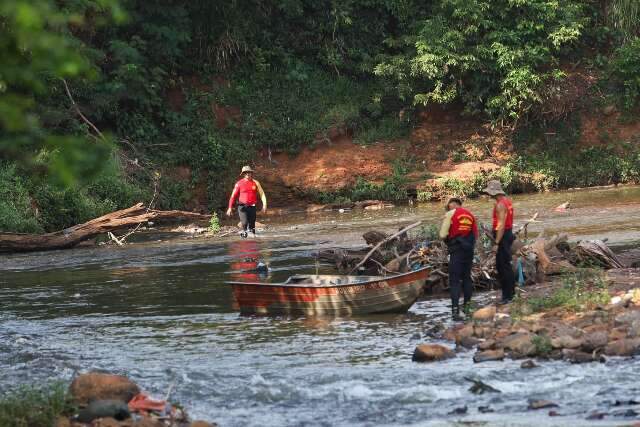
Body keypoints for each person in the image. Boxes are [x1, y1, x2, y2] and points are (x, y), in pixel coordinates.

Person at [439, 197, 478, 321]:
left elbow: (442, 235)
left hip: (456, 251)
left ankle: (455, 311)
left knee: (455, 281)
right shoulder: (471, 215)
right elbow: (475, 235)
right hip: (469, 251)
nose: (449, 209)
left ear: (454, 205)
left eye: (449, 207)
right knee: (466, 278)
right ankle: (467, 308)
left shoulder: (450, 214)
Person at [482, 179, 516, 304]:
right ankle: (511, 294)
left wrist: (496, 243)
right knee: (506, 265)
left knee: (502, 267)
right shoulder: (507, 202)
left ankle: (507, 297)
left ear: (493, 193)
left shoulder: (500, 205)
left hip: (502, 235)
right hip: (508, 234)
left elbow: (501, 225)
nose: (488, 195)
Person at [226, 166, 267, 238]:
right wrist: (229, 208)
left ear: (251, 173)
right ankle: (244, 240)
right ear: (243, 174)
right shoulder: (239, 184)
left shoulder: (256, 183)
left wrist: (264, 205)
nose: (248, 174)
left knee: (252, 226)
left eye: (249, 172)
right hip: (242, 207)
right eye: (246, 172)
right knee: (244, 223)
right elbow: (233, 196)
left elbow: (262, 194)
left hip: (252, 207)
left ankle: (253, 243)